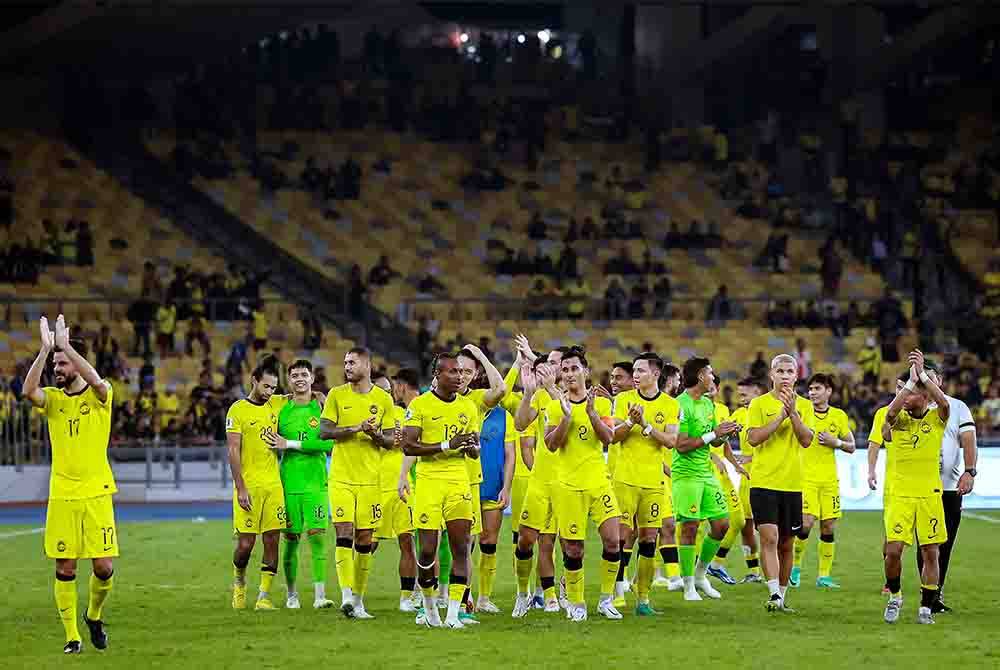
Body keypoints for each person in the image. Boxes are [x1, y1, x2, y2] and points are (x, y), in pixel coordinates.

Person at [24, 316, 117, 654]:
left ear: (77, 363)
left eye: (62, 362)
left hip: (97, 493)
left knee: (104, 567)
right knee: (65, 566)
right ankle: (72, 637)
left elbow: (98, 383)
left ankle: (93, 616)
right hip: (63, 495)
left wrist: (66, 347)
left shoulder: (100, 395)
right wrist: (46, 350)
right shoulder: (52, 399)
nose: (57, 368)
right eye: (56, 364)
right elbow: (27, 391)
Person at [399, 353, 481, 629]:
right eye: (452, 372)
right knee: (427, 552)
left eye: (461, 372)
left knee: (461, 547)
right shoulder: (420, 405)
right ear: (437, 375)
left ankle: (454, 615)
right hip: (429, 482)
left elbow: (473, 447)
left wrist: (471, 448)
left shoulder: (468, 407)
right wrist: (447, 445)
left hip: (459, 482)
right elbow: (409, 446)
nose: (459, 377)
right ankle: (430, 607)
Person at [541, 346, 620, 621]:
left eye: (575, 368)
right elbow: (551, 445)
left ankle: (606, 599)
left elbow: (608, 438)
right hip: (568, 486)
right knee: (574, 549)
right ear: (560, 375)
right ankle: (576, 603)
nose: (570, 374)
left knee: (613, 540)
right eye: (565, 369)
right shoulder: (554, 406)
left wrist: (591, 414)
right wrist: (566, 418)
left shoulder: (601, 403)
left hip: (599, 482)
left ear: (585, 371)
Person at [318, 347, 395, 619]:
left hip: (371, 480)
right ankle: (346, 594)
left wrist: (374, 434)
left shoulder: (383, 400)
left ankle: (359, 600)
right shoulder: (337, 395)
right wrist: (354, 429)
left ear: (367, 364)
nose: (347, 366)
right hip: (341, 478)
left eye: (352, 362)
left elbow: (391, 440)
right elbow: (324, 431)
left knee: (365, 539)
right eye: (345, 362)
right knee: (344, 532)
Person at [876, 351, 951, 624]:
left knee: (931, 551)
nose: (907, 397)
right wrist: (910, 382)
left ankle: (925, 607)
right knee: (893, 550)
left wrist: (923, 377)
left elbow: (943, 402)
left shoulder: (937, 418)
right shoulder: (896, 420)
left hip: (929, 494)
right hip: (900, 495)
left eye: (913, 393)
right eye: (905, 393)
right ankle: (895, 596)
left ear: (925, 397)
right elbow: (891, 412)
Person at [610, 352, 680, 616]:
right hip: (625, 479)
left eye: (640, 371)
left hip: (653, 482)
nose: (635, 375)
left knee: (650, 539)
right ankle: (616, 591)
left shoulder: (670, 405)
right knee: (622, 537)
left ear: (655, 374)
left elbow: (671, 441)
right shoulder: (623, 400)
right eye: (635, 371)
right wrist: (630, 421)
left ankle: (643, 600)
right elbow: (614, 437)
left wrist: (646, 425)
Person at [263, 359, 335, 610]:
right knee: (291, 540)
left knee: (318, 540)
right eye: (294, 375)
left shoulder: (322, 407)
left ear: (312, 378)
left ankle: (319, 595)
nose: (299, 379)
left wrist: (291, 444)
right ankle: (291, 595)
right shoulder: (281, 409)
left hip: (316, 484)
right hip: (289, 484)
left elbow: (329, 445)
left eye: (304, 374)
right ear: (289, 380)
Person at [747, 354, 815, 612]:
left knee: (787, 543)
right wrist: (779, 417)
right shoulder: (758, 404)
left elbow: (807, 439)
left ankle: (783, 597)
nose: (785, 376)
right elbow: (753, 438)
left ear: (796, 376)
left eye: (789, 371)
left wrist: (793, 414)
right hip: (763, 481)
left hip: (792, 483)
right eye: (780, 371)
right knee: (770, 538)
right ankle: (774, 593)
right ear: (771, 375)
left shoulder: (806, 407)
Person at [671, 357, 741, 601]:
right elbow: (681, 445)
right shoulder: (681, 404)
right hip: (686, 475)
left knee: (722, 524)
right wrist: (714, 433)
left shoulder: (708, 405)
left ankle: (700, 575)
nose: (713, 377)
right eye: (710, 373)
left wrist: (726, 433)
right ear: (700, 376)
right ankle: (688, 584)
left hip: (706, 473)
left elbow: (714, 441)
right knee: (690, 527)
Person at [512, 340, 570, 617]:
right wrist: (528, 393)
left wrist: (550, 388)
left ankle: (550, 596)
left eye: (556, 363)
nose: (551, 367)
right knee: (525, 540)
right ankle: (523, 593)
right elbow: (520, 424)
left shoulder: (577, 396)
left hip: (567, 480)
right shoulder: (540, 396)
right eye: (549, 363)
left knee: (554, 543)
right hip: (540, 480)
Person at [227, 355, 288, 611]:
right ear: (254, 381)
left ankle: (264, 595)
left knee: (272, 540)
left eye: (273, 388)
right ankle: (239, 583)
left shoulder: (276, 404)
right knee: (246, 545)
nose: (269, 392)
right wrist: (240, 487)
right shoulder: (237, 410)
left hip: (274, 486)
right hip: (249, 487)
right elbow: (232, 451)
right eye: (266, 386)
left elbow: (305, 395)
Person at [914, 369, 978, 613]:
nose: (928, 381)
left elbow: (969, 439)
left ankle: (935, 593)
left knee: (945, 543)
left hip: (950, 488)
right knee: (927, 544)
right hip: (921, 487)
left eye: (932, 377)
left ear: (939, 380)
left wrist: (970, 471)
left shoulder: (957, 407)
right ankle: (927, 594)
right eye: (923, 377)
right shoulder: (915, 403)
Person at [455, 345, 508, 614]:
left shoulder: (476, 399)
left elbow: (500, 390)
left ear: (475, 374)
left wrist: (483, 357)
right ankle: (439, 596)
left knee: (477, 542)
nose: (461, 375)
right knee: (455, 544)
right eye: (457, 370)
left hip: (475, 481)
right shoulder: (437, 398)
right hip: (447, 481)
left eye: (467, 371)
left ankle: (471, 599)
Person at [792, 373, 855, 589]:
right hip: (805, 478)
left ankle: (823, 576)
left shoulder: (839, 416)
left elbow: (852, 446)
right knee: (806, 523)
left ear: (828, 391)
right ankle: (795, 568)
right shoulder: (802, 412)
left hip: (829, 480)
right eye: (810, 389)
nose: (812, 393)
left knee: (828, 526)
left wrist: (834, 442)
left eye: (817, 388)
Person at [378, 369, 421, 612]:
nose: (388, 393)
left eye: (389, 389)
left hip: (403, 487)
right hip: (375, 485)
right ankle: (353, 593)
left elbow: (412, 446)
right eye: (382, 390)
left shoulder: (406, 414)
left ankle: (407, 597)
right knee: (366, 542)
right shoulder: (370, 415)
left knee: (407, 540)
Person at [729, 377, 766, 584]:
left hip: (765, 474)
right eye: (739, 394)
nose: (740, 398)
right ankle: (753, 572)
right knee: (745, 525)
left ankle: (777, 571)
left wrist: (752, 457)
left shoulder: (767, 413)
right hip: (746, 476)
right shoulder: (739, 415)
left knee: (766, 527)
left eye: (744, 394)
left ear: (758, 393)